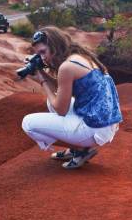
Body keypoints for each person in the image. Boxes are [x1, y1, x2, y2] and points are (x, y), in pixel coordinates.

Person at [21, 26, 123, 169]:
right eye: (39, 54)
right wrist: (41, 73)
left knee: (28, 124)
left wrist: (42, 81)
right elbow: (61, 88)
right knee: (52, 103)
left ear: (54, 46)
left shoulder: (66, 67)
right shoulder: (78, 56)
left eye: (43, 52)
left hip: (95, 129)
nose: (43, 58)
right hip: (104, 122)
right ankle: (79, 148)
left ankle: (79, 150)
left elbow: (61, 110)